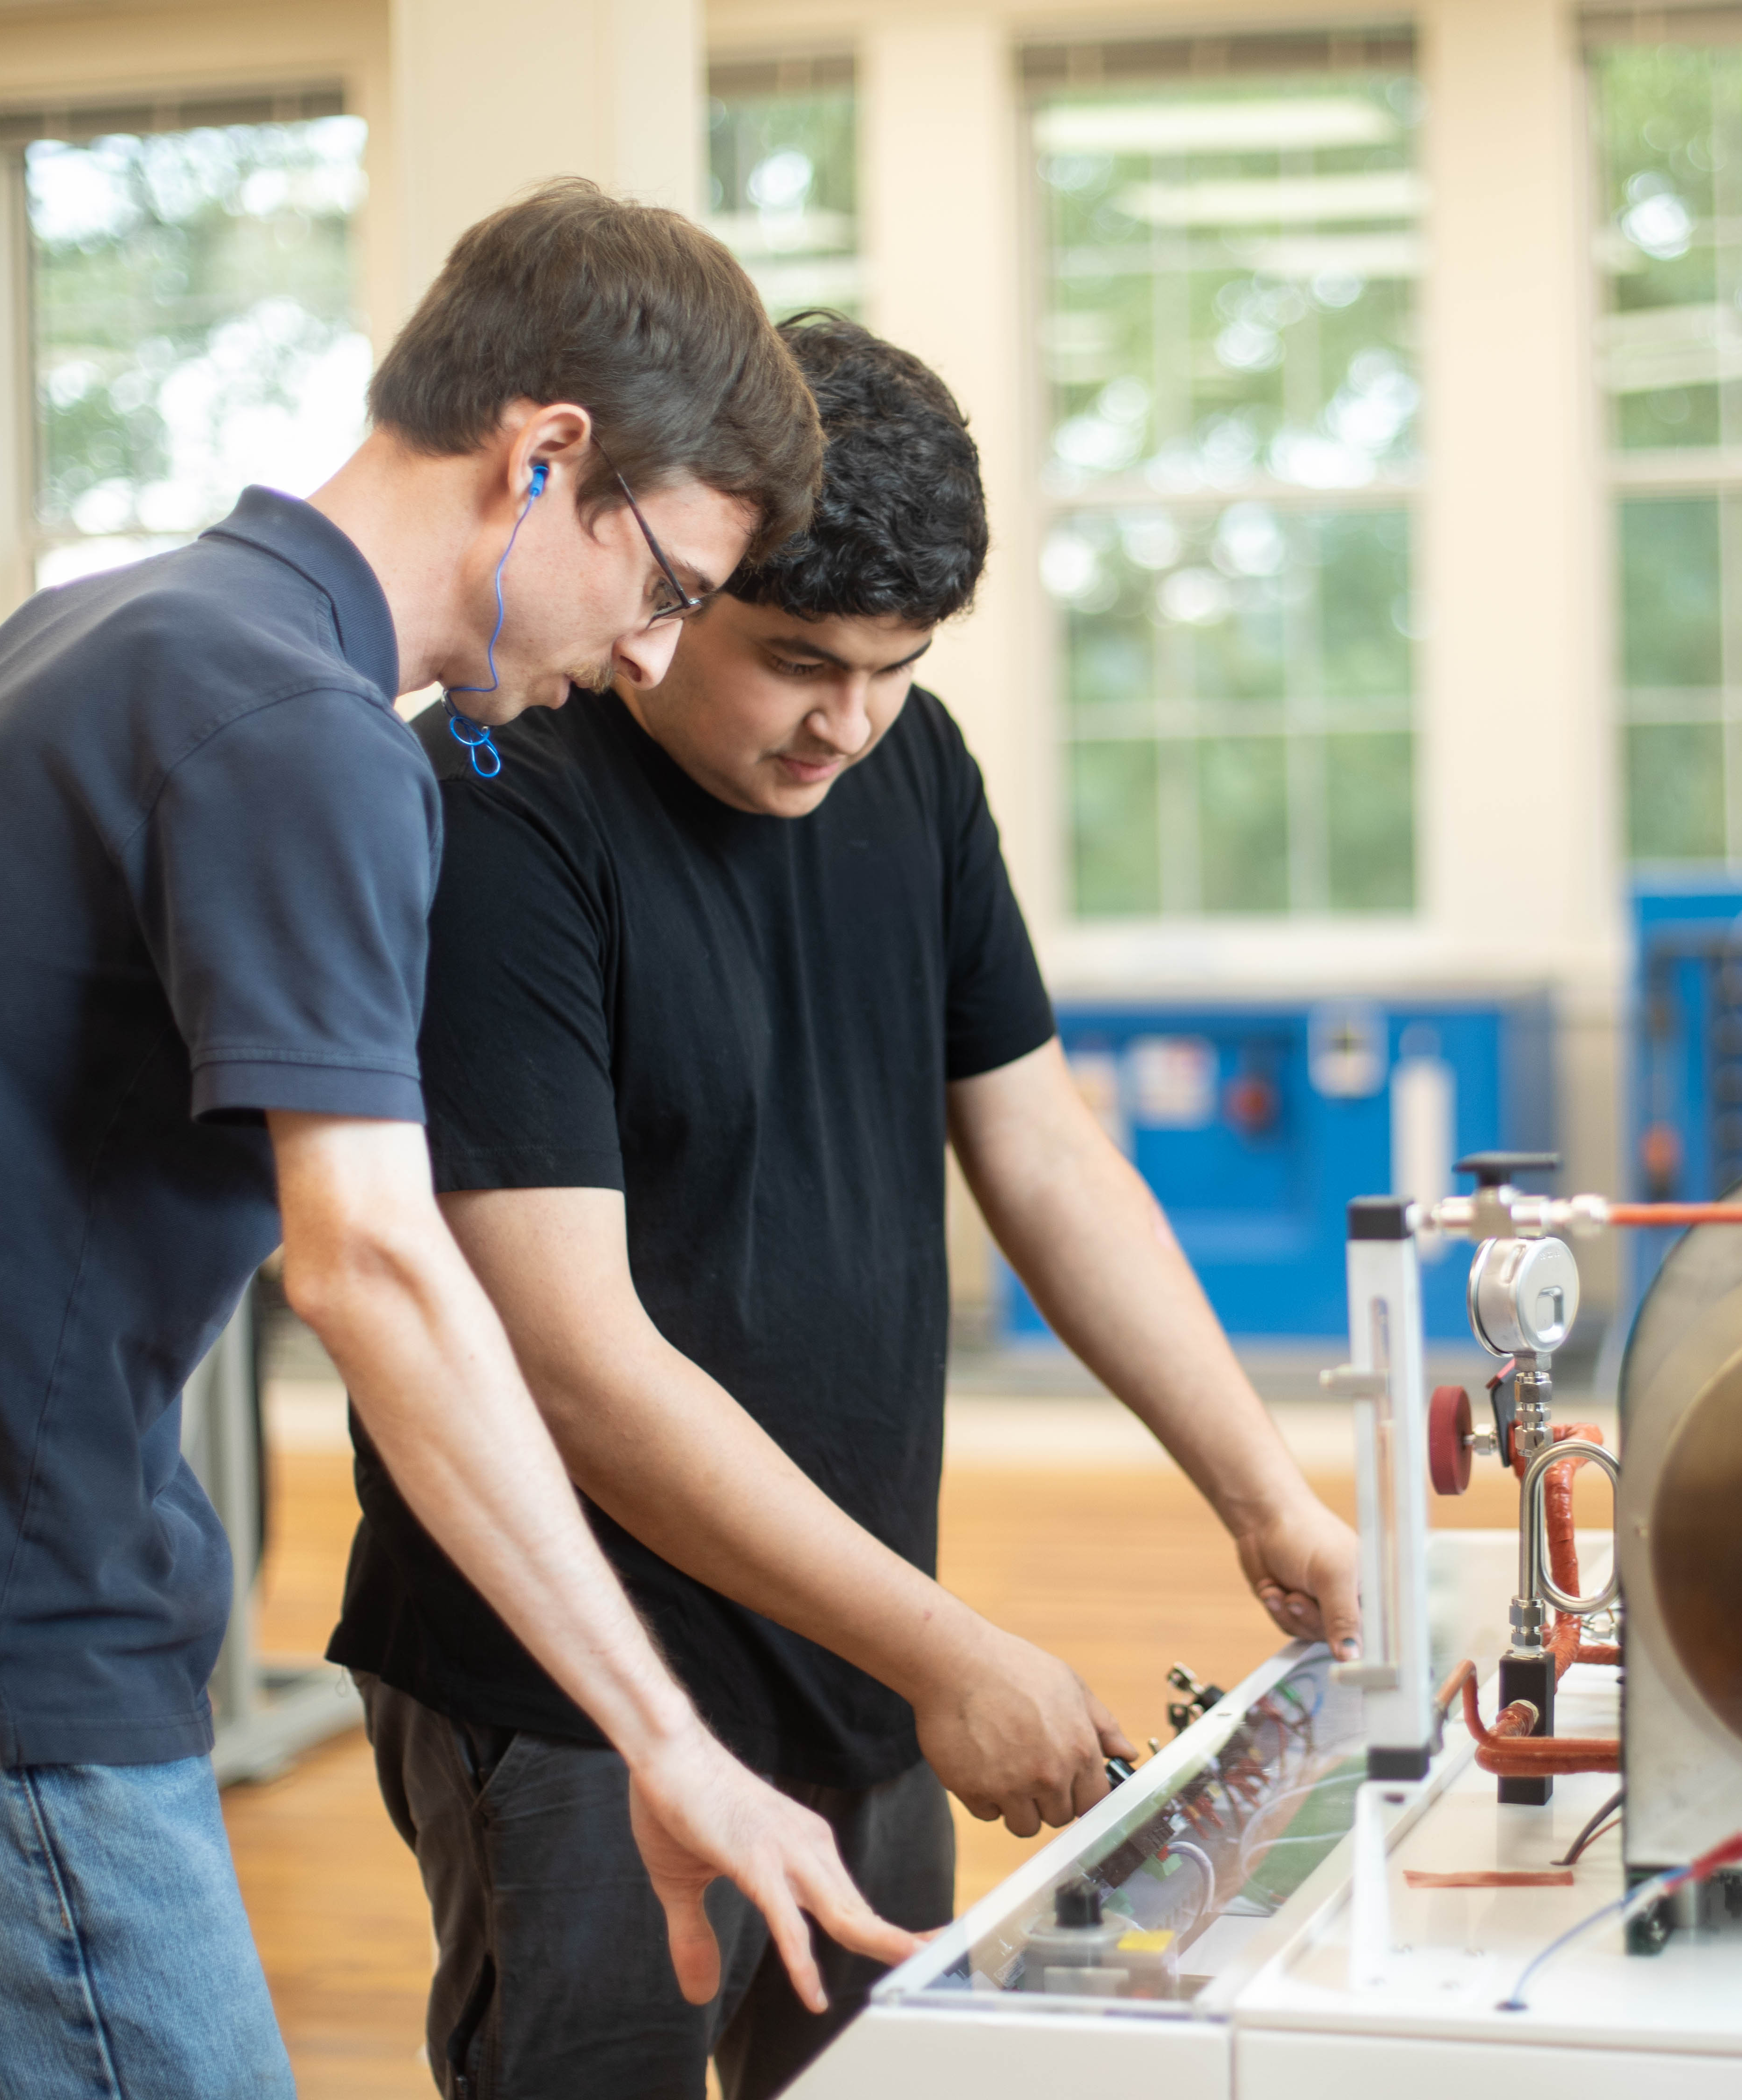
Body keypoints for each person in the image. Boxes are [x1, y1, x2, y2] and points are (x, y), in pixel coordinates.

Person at [0, 184, 916, 2098]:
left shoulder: (92, 634)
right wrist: (671, 1736)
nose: (652, 658)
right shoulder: (304, 733)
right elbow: (374, 1262)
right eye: (670, 590)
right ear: (548, 457)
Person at [328, 313, 1363, 2100]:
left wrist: (1269, 1503)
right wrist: (953, 1650)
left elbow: (1043, 1153)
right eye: (800, 657)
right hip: (582, 1687)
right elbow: (573, 1364)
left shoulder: (914, 766)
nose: (849, 722)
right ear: (681, 571)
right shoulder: (494, 808)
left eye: (897, 666)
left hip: (860, 1648)